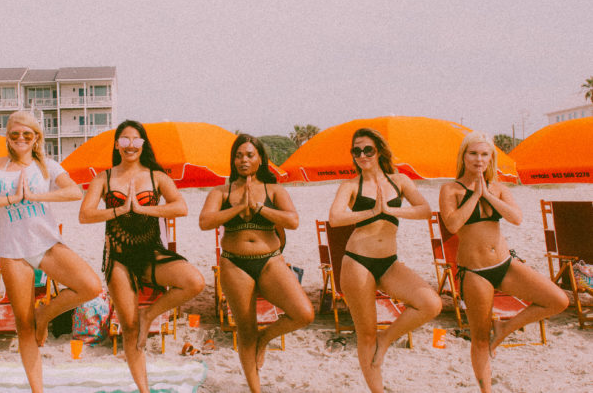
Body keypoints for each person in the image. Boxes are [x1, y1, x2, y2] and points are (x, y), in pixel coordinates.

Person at [0, 111, 101, 393]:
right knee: (23, 326)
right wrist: (10, 199)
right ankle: (37, 389)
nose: (21, 139)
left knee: (90, 286)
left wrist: (35, 196)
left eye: (27, 134)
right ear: (7, 137)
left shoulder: (47, 166)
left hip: (47, 244)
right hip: (13, 252)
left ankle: (45, 315)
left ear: (36, 137)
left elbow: (74, 192)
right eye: (15, 134)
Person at [79, 120, 204, 393]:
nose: (131, 145)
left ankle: (150, 315)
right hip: (119, 257)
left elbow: (181, 207)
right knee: (129, 327)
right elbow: (85, 214)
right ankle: (143, 389)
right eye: (125, 140)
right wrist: (119, 211)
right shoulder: (104, 178)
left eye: (136, 140)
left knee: (194, 281)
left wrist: (143, 210)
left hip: (150, 252)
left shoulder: (157, 177)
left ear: (143, 144)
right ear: (117, 145)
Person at [438, 131, 568, 393]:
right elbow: (452, 224)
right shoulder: (450, 189)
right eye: (473, 153)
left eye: (485, 154)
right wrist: (474, 195)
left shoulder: (498, 188)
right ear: (463, 156)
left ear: (491, 158)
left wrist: (487, 194)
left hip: (505, 264)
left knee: (558, 300)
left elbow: (516, 218)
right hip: (474, 272)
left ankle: (506, 326)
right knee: (480, 339)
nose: (479, 159)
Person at [328, 128, 441, 393]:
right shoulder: (350, 186)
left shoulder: (398, 181)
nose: (362, 155)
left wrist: (389, 209)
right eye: (356, 151)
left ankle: (386, 339)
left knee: (430, 303)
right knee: (365, 335)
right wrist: (371, 211)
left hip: (389, 262)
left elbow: (425, 210)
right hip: (357, 262)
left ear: (379, 150)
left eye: (367, 149)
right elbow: (335, 218)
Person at [199, 134, 314, 393]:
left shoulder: (275, 190)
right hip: (234, 263)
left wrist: (259, 208)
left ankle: (265, 338)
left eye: (249, 155)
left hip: (270, 261)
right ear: (233, 160)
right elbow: (205, 222)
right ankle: (255, 389)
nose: (243, 160)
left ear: (260, 159)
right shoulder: (221, 191)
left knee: (304, 313)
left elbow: (292, 221)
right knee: (246, 330)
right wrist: (238, 207)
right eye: (239, 155)